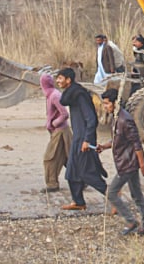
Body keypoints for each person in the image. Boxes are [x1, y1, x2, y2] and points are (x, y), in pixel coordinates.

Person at [97, 89, 144, 236]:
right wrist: (103, 146)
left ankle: (130, 221)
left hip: (128, 164)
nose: (105, 106)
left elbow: (136, 143)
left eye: (107, 103)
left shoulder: (125, 119)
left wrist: (142, 165)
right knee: (137, 195)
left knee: (112, 192)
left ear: (115, 103)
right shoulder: (116, 117)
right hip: (127, 163)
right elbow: (117, 140)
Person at [56, 68, 107, 211]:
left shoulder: (79, 95)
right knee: (72, 171)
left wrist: (87, 140)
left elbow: (91, 119)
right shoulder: (72, 94)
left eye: (60, 78)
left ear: (68, 80)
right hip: (78, 138)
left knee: (86, 172)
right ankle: (78, 202)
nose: (58, 81)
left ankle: (113, 196)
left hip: (84, 139)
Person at [40, 73, 71, 192]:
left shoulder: (54, 96)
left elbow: (64, 114)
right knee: (67, 158)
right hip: (58, 131)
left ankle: (52, 184)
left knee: (50, 158)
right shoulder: (50, 95)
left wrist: (54, 123)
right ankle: (81, 180)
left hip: (60, 131)